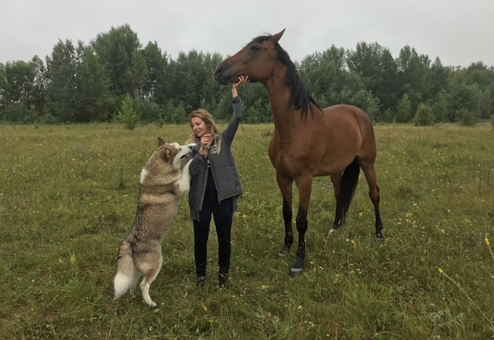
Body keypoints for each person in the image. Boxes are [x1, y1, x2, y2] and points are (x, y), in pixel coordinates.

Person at [186, 75, 249, 288]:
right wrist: (202, 150)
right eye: (193, 125)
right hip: (201, 200)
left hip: (223, 200)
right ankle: (201, 276)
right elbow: (192, 171)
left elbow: (237, 117)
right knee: (200, 241)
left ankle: (223, 275)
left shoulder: (222, 139)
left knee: (224, 239)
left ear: (207, 123)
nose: (195, 128)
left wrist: (235, 92)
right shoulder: (190, 148)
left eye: (198, 123)